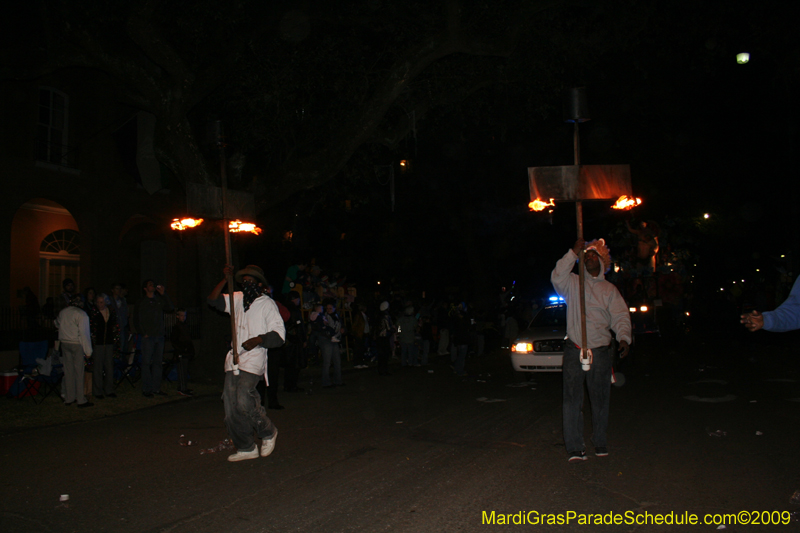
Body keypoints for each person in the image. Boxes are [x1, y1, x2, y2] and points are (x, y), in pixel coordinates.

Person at [551, 238, 632, 463]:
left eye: (593, 255)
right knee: (571, 400)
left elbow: (620, 316)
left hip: (601, 351)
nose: (589, 258)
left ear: (603, 260)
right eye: (585, 255)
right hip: (574, 348)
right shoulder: (572, 283)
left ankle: (600, 440)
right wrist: (572, 252)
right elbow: (556, 276)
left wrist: (624, 338)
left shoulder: (608, 289)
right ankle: (575, 447)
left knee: (600, 399)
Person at [208, 264, 285, 462]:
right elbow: (213, 300)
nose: (247, 283)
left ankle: (267, 431)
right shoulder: (237, 298)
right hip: (234, 358)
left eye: (251, 281)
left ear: (260, 284)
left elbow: (279, 335)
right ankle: (246, 447)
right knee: (230, 405)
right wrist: (226, 279)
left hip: (254, 358)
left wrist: (259, 339)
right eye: (244, 281)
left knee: (243, 399)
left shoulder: (267, 304)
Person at [133, 279, 174, 398]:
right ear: (145, 288)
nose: (153, 286)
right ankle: (147, 389)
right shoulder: (142, 302)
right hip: (148, 337)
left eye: (153, 284)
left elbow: (170, 308)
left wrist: (163, 294)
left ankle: (156, 388)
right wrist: (143, 332)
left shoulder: (158, 300)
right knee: (146, 363)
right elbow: (136, 318)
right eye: (150, 285)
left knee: (157, 363)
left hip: (159, 336)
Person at [55, 295, 94, 408]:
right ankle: (80, 399)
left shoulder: (63, 312)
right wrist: (88, 351)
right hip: (76, 343)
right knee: (79, 371)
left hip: (65, 342)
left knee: (68, 371)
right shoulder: (81, 314)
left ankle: (69, 398)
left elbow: (56, 323)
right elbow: (84, 334)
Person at [90, 293, 119, 399]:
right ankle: (97, 391)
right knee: (97, 367)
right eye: (97, 302)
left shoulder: (111, 312)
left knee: (109, 367)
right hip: (98, 343)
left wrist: (115, 340)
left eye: (101, 302)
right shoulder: (94, 313)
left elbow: (115, 327)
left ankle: (109, 389)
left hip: (109, 342)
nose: (99, 304)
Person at [283, 291, 307, 392]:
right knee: (294, 364)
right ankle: (292, 386)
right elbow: (298, 326)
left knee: (289, 365)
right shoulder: (294, 310)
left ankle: (288, 385)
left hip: (289, 340)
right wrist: (303, 339)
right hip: (294, 341)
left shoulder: (285, 308)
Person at [319, 299, 344, 388]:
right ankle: (326, 382)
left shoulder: (337, 317)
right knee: (327, 362)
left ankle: (338, 380)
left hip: (335, 339)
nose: (328, 310)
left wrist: (342, 330)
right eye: (327, 308)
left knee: (337, 361)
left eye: (330, 308)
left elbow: (341, 326)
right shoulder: (324, 317)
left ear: (334, 308)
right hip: (327, 340)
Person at [171, 308, 195, 397]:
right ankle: (182, 388)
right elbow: (174, 341)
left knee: (185, 371)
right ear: (177, 316)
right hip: (181, 352)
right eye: (181, 315)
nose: (183, 317)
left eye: (184, 315)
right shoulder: (176, 327)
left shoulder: (185, 326)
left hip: (186, 352)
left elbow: (188, 340)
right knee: (181, 370)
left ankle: (184, 387)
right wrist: (180, 350)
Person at [109, 283, 129, 355]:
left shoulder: (123, 300)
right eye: (117, 288)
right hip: (112, 328)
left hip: (122, 327)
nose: (119, 290)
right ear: (112, 290)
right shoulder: (109, 301)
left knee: (122, 346)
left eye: (119, 289)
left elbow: (126, 313)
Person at [376, 301, 394, 376]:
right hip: (385, 337)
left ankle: (380, 370)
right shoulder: (386, 316)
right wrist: (395, 330)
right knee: (385, 355)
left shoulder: (379, 316)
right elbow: (388, 328)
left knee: (381, 355)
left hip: (379, 337)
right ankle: (384, 370)